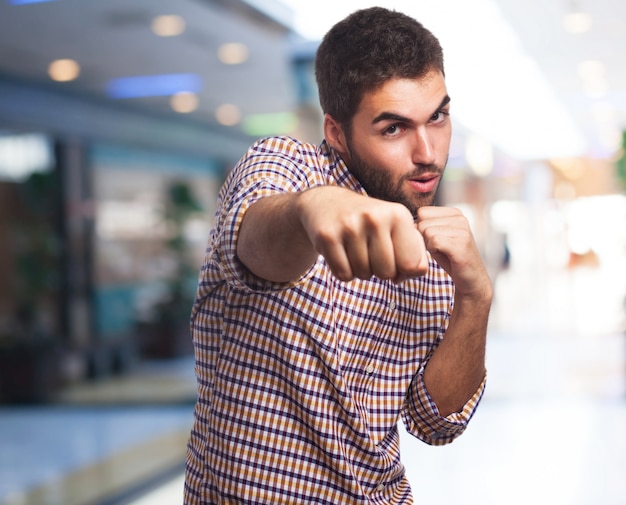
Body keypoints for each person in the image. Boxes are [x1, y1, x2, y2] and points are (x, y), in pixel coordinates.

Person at [184, 6, 492, 504]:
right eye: (393, 128)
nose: (428, 153)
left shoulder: (437, 247)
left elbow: (434, 422)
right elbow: (253, 246)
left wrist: (476, 295)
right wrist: (311, 209)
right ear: (336, 133)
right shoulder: (286, 167)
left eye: (437, 117)